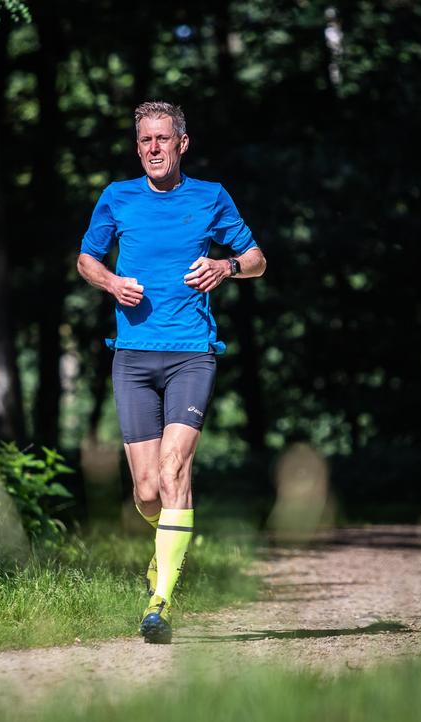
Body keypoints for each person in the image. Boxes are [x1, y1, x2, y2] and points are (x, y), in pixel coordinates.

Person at [76, 101, 266, 643]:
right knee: (146, 489)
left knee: (175, 468)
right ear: (138, 147)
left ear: (183, 143)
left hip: (191, 352)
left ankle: (160, 599)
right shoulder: (117, 197)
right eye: (145, 141)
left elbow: (256, 259)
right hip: (132, 356)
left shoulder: (211, 196)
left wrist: (226, 265)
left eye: (163, 139)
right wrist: (112, 283)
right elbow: (86, 259)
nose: (153, 149)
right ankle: (168, 545)